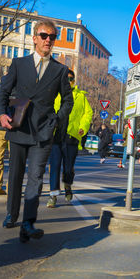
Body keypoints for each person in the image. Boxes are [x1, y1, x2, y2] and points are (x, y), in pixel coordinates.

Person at [0, 19, 73, 242]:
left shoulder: (60, 70)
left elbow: (67, 101)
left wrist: (56, 121)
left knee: (36, 176)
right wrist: (1, 114)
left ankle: (28, 223)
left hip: (43, 131)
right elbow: (2, 91)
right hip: (19, 126)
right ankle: (12, 214)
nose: (48, 40)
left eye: (52, 37)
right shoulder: (19, 64)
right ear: (34, 38)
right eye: (43, 35)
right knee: (16, 174)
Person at [47, 69, 93, 208]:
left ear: (74, 80)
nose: (68, 81)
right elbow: (47, 109)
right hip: (56, 136)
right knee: (54, 167)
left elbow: (88, 113)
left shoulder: (80, 96)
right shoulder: (55, 94)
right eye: (65, 78)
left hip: (72, 137)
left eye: (71, 79)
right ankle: (53, 196)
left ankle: (67, 185)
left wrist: (83, 128)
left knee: (68, 168)